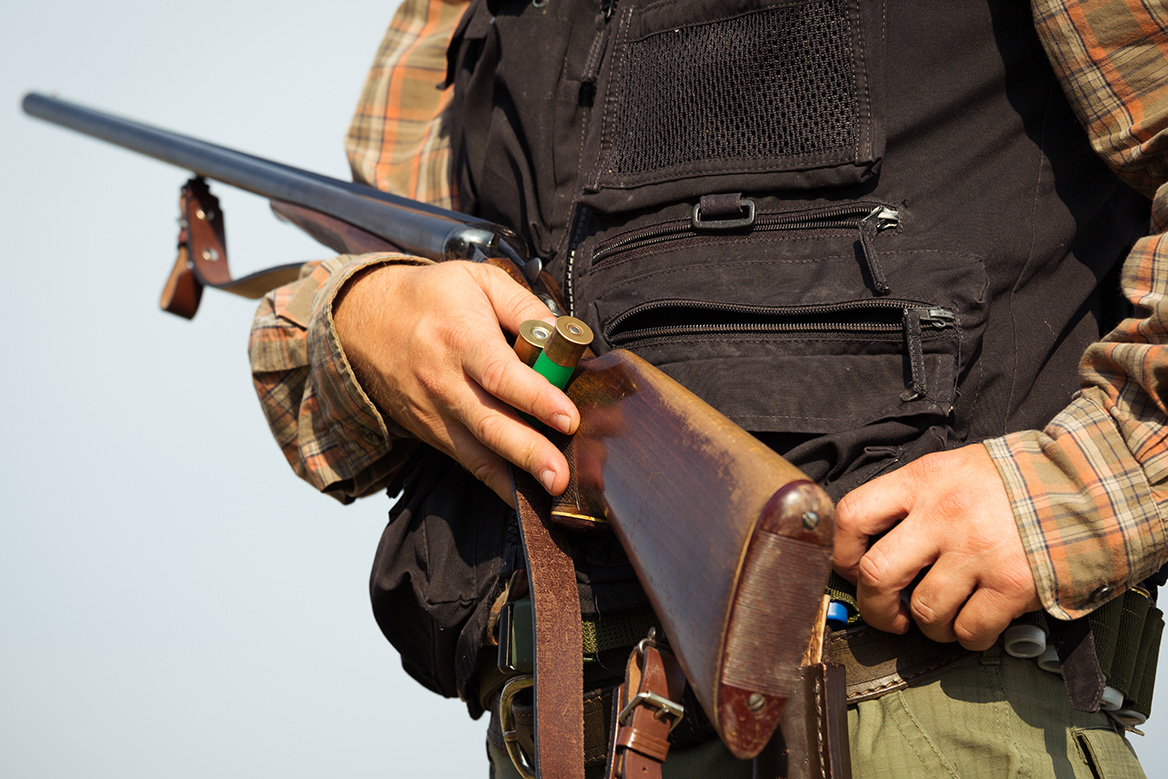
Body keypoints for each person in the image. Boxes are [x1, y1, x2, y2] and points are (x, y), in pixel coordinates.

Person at [250, 0, 1168, 775]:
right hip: (558, 734)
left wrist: (1080, 488)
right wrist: (365, 317)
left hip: (907, 709)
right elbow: (392, 243)